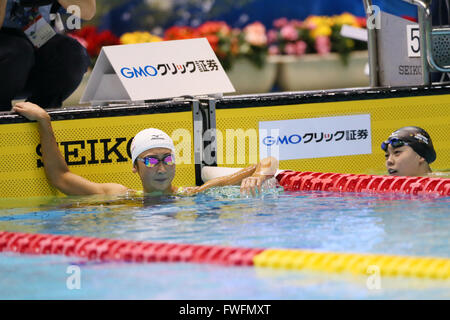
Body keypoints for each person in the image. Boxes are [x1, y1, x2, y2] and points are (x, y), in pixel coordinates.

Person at [13, 101, 279, 197]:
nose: (162, 168)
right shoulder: (120, 195)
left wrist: (260, 174)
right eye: (151, 161)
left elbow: (268, 160)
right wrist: (44, 122)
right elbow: (61, 178)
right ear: (134, 167)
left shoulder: (194, 194)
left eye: (168, 159)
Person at [0, 0, 95, 111]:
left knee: (72, 54)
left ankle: (37, 117)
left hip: (36, 29)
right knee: (18, 52)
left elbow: (88, 11)